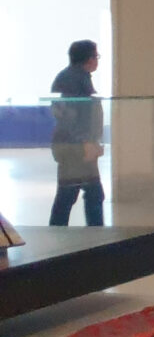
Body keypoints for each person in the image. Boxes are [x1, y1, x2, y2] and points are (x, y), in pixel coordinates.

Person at [49, 39, 105, 227]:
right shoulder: (72, 80)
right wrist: (85, 143)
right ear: (88, 58)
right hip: (75, 148)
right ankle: (94, 236)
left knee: (84, 193)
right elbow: (69, 117)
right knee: (74, 193)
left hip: (78, 146)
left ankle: (92, 234)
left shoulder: (76, 77)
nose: (97, 60)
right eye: (95, 56)